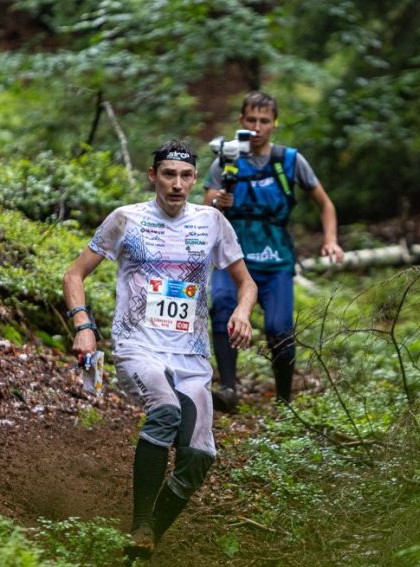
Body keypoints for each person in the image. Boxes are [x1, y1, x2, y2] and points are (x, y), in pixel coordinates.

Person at [63, 139, 256, 560]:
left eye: (186, 176)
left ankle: (146, 543)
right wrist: (84, 326)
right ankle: (140, 523)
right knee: (165, 411)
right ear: (153, 176)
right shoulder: (126, 220)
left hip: (191, 358)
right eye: (169, 174)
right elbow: (74, 274)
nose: (178, 184)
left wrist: (242, 312)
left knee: (199, 457)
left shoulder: (211, 222)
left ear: (193, 180)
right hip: (139, 348)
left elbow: (247, 282)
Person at [204, 91, 344, 410]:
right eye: (251, 120)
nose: (257, 127)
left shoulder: (289, 161)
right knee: (223, 305)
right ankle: (227, 388)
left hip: (276, 258)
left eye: (264, 121)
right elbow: (205, 206)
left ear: (274, 123)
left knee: (279, 329)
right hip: (233, 255)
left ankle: (284, 400)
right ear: (241, 121)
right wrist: (217, 201)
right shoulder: (227, 159)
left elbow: (326, 204)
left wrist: (331, 239)